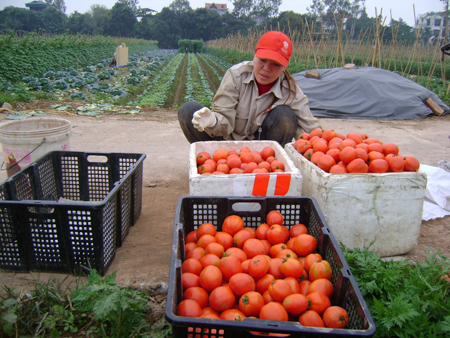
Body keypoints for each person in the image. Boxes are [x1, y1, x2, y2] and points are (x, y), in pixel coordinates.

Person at [178, 31, 321, 147]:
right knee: (187, 111)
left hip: (263, 152)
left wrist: (334, 144)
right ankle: (210, 163)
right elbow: (224, 119)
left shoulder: (290, 90)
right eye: (262, 60)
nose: (266, 69)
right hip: (223, 146)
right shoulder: (236, 75)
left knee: (285, 116)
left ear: (285, 67)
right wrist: (213, 121)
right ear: (255, 55)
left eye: (276, 64)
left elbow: (310, 128)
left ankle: (272, 167)